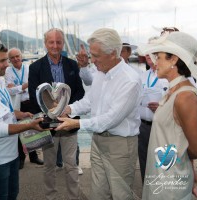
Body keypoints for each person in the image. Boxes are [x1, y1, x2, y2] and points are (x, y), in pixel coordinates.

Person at [56, 28, 141, 200]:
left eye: (96, 56)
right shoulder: (101, 72)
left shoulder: (130, 80)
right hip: (98, 141)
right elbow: (89, 101)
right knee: (98, 194)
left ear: (113, 54)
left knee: (121, 194)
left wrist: (77, 123)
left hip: (120, 146)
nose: (92, 60)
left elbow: (110, 119)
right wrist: (68, 109)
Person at [0, 42, 45, 200]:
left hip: (10, 152)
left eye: (7, 60)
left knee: (12, 194)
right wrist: (29, 126)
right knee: (1, 197)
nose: (7, 64)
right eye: (2, 61)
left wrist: (21, 114)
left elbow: (7, 111)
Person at [138, 31, 197, 199]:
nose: (154, 62)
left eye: (158, 57)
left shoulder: (185, 96)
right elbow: (178, 138)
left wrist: (174, 161)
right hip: (163, 176)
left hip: (170, 183)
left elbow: (196, 149)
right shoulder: (174, 90)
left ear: (173, 59)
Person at [28, 28, 85, 200]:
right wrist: (51, 109)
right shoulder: (35, 67)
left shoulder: (72, 65)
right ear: (45, 43)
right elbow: (33, 95)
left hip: (69, 122)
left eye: (58, 42)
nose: (55, 45)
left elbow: (80, 92)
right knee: (49, 165)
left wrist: (68, 109)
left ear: (62, 43)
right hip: (48, 123)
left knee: (71, 165)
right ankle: (50, 197)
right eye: (51, 42)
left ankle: (73, 197)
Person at [5, 47, 44, 169]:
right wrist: (24, 86)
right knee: (19, 130)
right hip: (18, 105)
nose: (15, 59)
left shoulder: (28, 68)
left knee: (32, 129)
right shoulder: (8, 71)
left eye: (17, 56)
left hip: (30, 102)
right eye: (12, 57)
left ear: (21, 56)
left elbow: (34, 85)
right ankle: (21, 158)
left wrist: (19, 87)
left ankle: (33, 157)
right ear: (10, 60)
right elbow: (10, 90)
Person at [138, 48, 168, 183]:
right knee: (144, 161)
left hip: (162, 127)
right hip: (143, 127)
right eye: (147, 51)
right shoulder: (142, 76)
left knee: (163, 163)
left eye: (152, 51)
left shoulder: (168, 76)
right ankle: (147, 190)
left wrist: (162, 107)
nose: (147, 54)